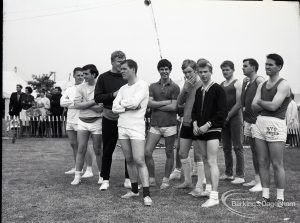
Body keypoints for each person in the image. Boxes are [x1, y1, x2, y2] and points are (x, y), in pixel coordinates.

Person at [252, 53, 291, 206]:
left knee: (277, 163)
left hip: (276, 124)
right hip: (260, 122)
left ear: (279, 67)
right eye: (266, 64)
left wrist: (261, 101)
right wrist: (263, 103)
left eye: (271, 64)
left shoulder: (283, 84)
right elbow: (253, 106)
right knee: (262, 161)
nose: (267, 67)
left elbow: (274, 106)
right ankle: (265, 196)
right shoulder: (262, 84)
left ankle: (280, 197)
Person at [112, 59, 152, 206]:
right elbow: (114, 107)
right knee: (128, 159)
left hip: (136, 128)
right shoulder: (122, 89)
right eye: (121, 69)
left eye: (124, 69)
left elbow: (136, 103)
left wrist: (123, 104)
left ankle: (146, 194)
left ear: (133, 69)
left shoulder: (142, 85)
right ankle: (134, 190)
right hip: (122, 126)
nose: (121, 71)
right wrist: (126, 106)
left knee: (139, 160)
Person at [192, 60, 227, 208]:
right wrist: (194, 124)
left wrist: (208, 125)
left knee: (212, 161)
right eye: (200, 72)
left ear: (211, 71)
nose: (203, 74)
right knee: (205, 160)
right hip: (199, 130)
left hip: (212, 129)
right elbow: (194, 110)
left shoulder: (218, 89)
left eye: (205, 71)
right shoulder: (199, 91)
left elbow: (222, 112)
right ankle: (207, 190)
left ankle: (214, 197)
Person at [94, 50, 131, 191]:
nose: (121, 64)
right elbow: (98, 98)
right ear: (112, 62)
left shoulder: (128, 77)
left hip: (126, 117)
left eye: (123, 62)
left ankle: (129, 179)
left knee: (128, 150)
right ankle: (105, 179)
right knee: (108, 149)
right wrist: (113, 95)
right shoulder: (103, 77)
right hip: (109, 116)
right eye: (118, 62)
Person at [145, 59, 180, 190]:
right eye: (162, 69)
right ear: (158, 70)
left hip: (170, 125)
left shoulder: (175, 87)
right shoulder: (152, 86)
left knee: (169, 153)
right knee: (147, 152)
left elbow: (174, 107)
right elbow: (150, 103)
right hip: (155, 125)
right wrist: (166, 102)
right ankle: (152, 178)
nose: (164, 71)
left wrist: (157, 105)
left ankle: (165, 179)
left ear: (170, 70)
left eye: (166, 69)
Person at [175, 59, 206, 197]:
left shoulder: (202, 83)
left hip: (198, 123)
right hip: (186, 121)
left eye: (189, 72)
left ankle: (200, 184)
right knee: (182, 152)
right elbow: (179, 102)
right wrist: (185, 88)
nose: (187, 75)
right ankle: (187, 181)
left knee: (199, 155)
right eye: (185, 72)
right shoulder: (187, 84)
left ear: (196, 71)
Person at [71, 64, 103, 186]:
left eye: (86, 74)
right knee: (81, 149)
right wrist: (94, 102)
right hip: (83, 121)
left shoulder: (100, 86)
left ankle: (102, 175)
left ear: (94, 74)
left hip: (97, 121)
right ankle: (77, 176)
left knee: (98, 150)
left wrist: (85, 103)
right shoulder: (80, 87)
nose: (84, 76)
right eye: (83, 74)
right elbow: (77, 105)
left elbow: (101, 108)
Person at [60, 67, 93, 177]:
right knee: (73, 144)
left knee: (83, 145)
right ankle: (77, 167)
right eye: (78, 75)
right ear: (74, 76)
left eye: (82, 75)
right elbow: (62, 102)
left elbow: (86, 103)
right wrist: (74, 102)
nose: (80, 77)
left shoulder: (86, 88)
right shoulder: (69, 89)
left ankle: (89, 169)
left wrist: (76, 103)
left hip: (81, 119)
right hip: (70, 119)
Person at [241, 58, 264, 192]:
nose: (242, 68)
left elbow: (266, 97)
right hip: (248, 120)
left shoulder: (259, 80)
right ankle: (256, 179)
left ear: (253, 67)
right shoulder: (248, 82)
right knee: (254, 151)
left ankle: (261, 182)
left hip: (257, 121)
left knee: (259, 152)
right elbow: (243, 101)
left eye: (245, 66)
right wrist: (244, 85)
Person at [220, 60, 245, 184]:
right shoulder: (221, 84)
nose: (225, 72)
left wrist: (228, 116)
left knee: (237, 146)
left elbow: (239, 103)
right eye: (223, 70)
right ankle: (228, 173)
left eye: (227, 69)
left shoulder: (237, 83)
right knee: (226, 147)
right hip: (224, 119)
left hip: (235, 117)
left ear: (233, 70)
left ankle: (240, 175)